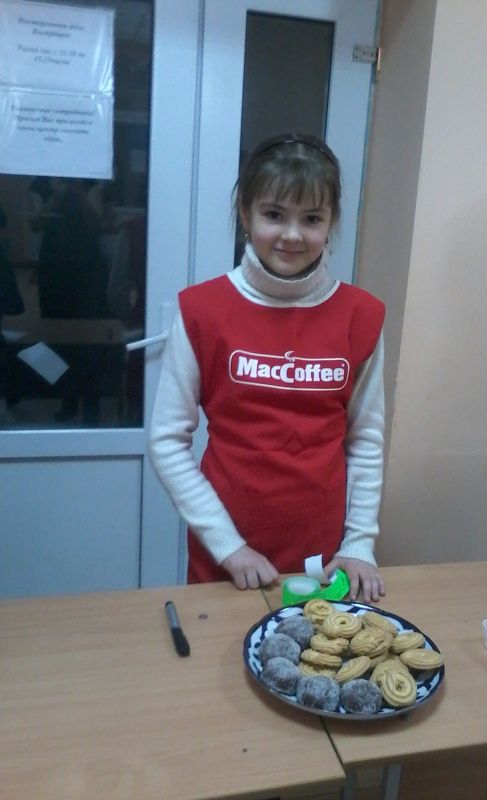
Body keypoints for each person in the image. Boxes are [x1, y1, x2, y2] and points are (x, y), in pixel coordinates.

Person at [148, 133, 386, 603]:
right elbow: (167, 441)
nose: (292, 235)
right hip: (226, 558)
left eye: (311, 218)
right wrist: (228, 546)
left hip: (326, 556)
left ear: (331, 222)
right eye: (274, 214)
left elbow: (366, 440)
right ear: (246, 215)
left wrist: (359, 543)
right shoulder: (201, 310)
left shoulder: (362, 316)